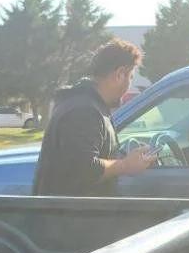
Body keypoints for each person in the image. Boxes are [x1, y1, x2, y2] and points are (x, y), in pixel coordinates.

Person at [33, 39, 155, 196]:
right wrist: (126, 165)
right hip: (71, 217)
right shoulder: (83, 111)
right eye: (130, 77)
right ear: (120, 74)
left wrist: (129, 159)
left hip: (77, 216)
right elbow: (84, 169)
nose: (129, 83)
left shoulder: (87, 104)